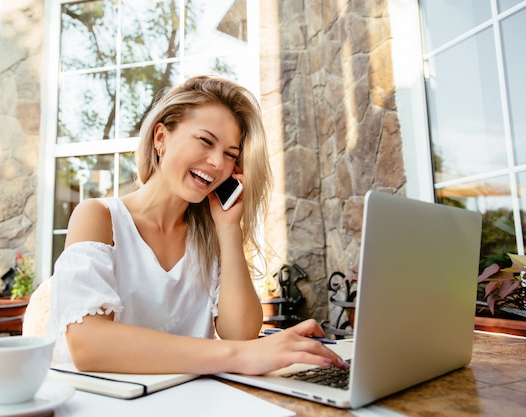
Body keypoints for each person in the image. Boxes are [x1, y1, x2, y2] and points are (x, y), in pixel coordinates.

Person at [46, 75, 348, 376]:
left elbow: (239, 334)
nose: (218, 162)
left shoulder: (209, 238)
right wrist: (241, 356)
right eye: (206, 141)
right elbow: (89, 345)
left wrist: (230, 227)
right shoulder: (98, 217)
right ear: (160, 138)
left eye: (231, 155)